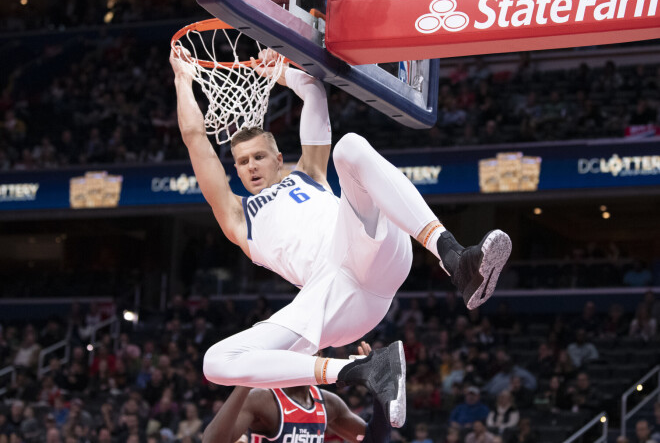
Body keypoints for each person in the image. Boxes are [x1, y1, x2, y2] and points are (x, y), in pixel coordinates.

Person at [170, 47, 511, 427]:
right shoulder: (237, 217)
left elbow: (313, 90)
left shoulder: (308, 173)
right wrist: (183, 79)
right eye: (242, 161)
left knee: (349, 147)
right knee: (216, 362)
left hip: (372, 253)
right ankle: (361, 370)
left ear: (278, 158)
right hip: (332, 297)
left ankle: (456, 258)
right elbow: (194, 137)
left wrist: (280, 69)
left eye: (259, 157)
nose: (250, 166)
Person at [202, 342, 390, 443]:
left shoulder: (328, 404)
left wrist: (378, 388)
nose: (310, 357)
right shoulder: (262, 398)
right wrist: (247, 380)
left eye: (315, 352)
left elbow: (373, 439)